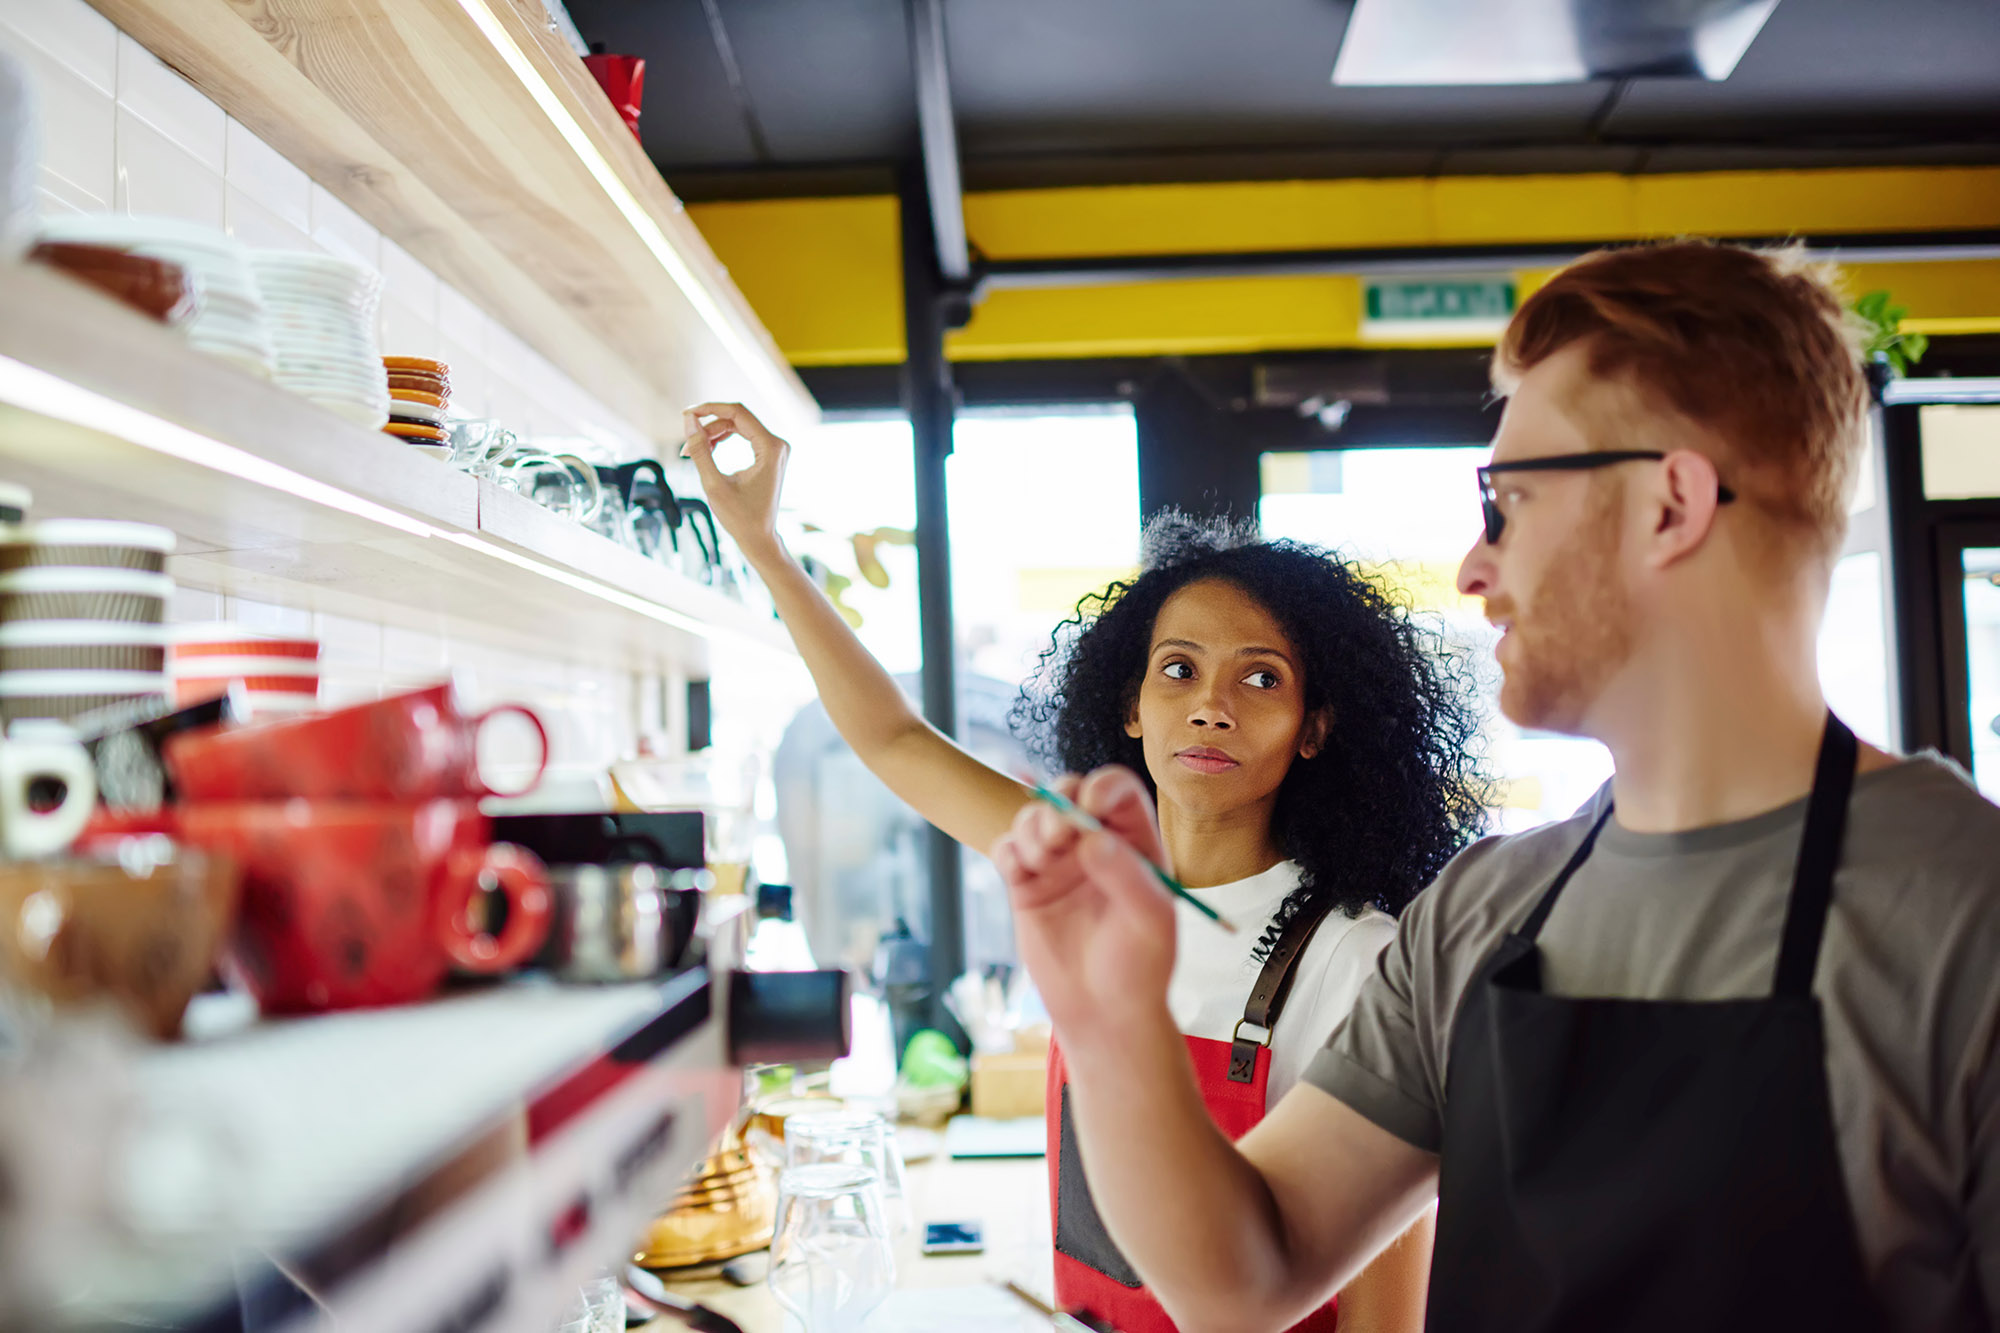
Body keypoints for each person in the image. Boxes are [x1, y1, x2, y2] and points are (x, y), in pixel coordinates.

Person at [991, 239, 2000, 1333]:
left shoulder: (1966, 917)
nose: (1474, 567)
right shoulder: (1479, 914)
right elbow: (1245, 1275)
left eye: (1505, 502)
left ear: (1669, 504)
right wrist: (1108, 1022)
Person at [682, 403, 1489, 1332]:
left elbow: (1387, 1325)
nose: (1213, 706)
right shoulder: (1084, 873)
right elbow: (894, 738)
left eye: (1260, 677)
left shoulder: (1358, 961)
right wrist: (764, 544)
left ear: (1314, 729)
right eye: (1178, 669)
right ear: (1133, 706)